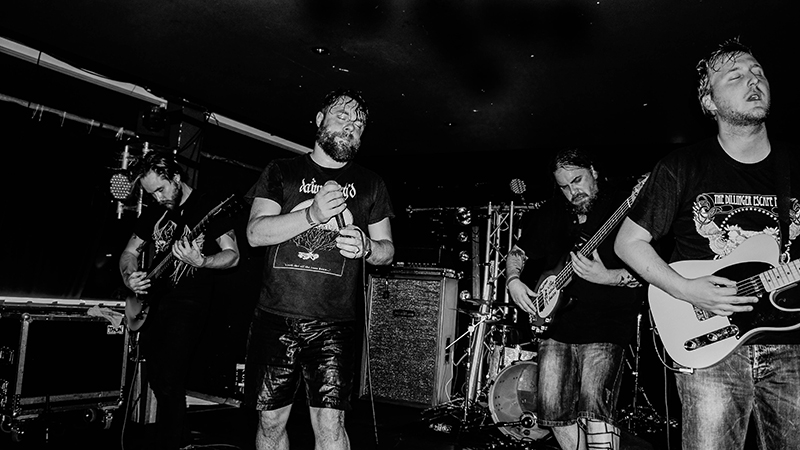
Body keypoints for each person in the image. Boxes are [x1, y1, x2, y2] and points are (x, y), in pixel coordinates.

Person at [614, 37, 800, 449]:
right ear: (709, 102)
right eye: (735, 76)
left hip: (792, 344)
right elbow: (628, 244)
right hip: (712, 345)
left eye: (758, 72)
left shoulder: (796, 165)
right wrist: (686, 289)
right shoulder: (682, 166)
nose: (753, 80)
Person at [243, 88, 395, 450]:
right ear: (319, 120)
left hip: (335, 323)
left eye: (359, 124)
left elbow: (387, 251)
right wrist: (311, 215)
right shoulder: (281, 170)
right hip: (275, 317)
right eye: (342, 116)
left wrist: (367, 247)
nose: (351, 126)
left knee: (331, 425)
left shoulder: (371, 183)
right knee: (270, 421)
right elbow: (254, 234)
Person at [506, 147, 644, 450]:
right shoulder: (552, 212)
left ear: (593, 171)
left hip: (606, 325)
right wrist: (513, 280)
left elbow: (650, 269)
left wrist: (608, 276)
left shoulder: (625, 205)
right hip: (557, 329)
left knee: (596, 410)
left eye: (578, 180)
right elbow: (518, 251)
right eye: (564, 186)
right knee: (554, 413)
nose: (573, 192)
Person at [119, 151, 241, 450]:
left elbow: (233, 255)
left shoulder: (208, 205)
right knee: (157, 378)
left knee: (171, 375)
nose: (158, 198)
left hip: (189, 302)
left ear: (175, 176)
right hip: (154, 302)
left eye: (160, 189)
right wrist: (130, 276)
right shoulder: (154, 211)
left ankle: (171, 443)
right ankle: (181, 440)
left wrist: (203, 261)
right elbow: (129, 252)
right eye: (151, 193)